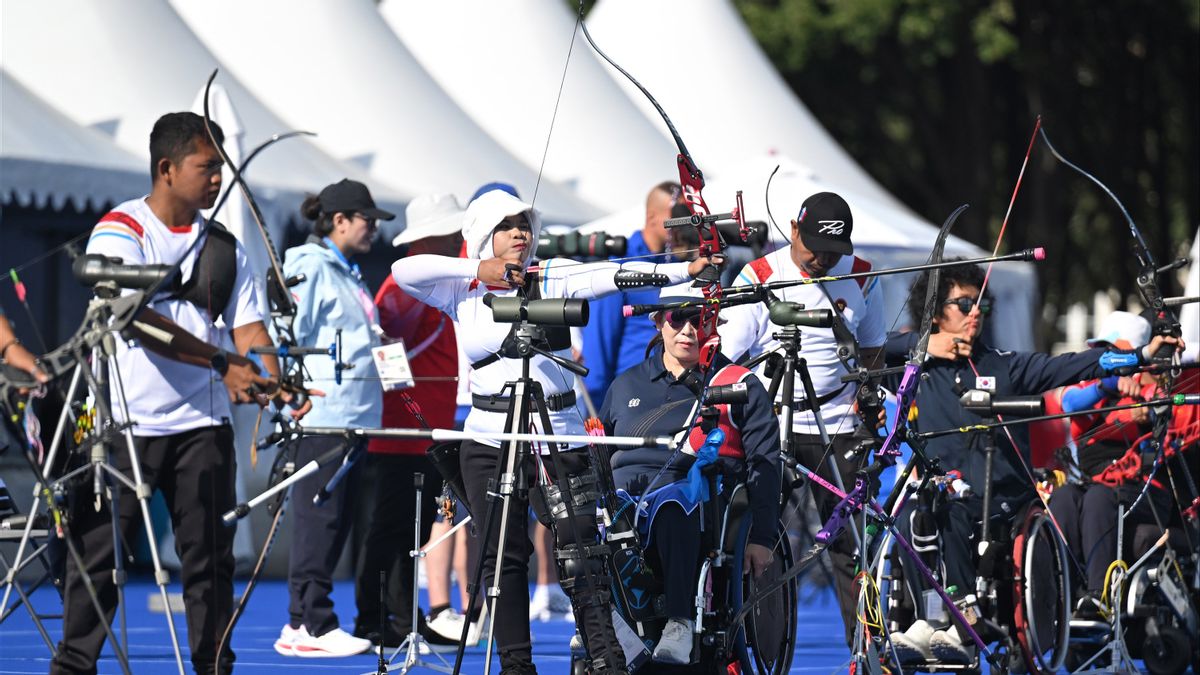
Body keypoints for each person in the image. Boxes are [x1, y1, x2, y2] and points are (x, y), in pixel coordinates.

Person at [391, 188, 718, 674]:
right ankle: (517, 668)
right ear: (484, 233)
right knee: (503, 558)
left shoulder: (552, 274)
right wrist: (478, 271)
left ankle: (608, 660)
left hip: (557, 433)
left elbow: (617, 274)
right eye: (508, 225)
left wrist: (684, 271)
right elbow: (402, 272)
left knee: (582, 555)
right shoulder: (461, 288)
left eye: (525, 223)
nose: (520, 233)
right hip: (489, 439)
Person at [51, 111, 298, 675]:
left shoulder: (224, 246)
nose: (218, 179)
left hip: (201, 428)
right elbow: (135, 319)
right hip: (121, 427)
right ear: (166, 169)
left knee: (209, 561)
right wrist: (222, 362)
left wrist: (272, 376)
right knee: (98, 558)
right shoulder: (121, 230)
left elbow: (249, 330)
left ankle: (213, 665)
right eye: (206, 168)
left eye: (221, 168)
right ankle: (73, 666)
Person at [884, 262, 1184, 664]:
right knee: (910, 519)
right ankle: (933, 619)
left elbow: (1073, 365)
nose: (975, 312)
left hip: (1002, 498)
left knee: (949, 513)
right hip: (941, 496)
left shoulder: (1003, 365)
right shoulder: (919, 366)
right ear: (936, 312)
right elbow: (865, 353)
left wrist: (1142, 356)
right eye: (964, 304)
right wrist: (923, 346)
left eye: (981, 305)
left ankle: (963, 622)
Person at [719, 191, 886, 644]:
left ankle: (864, 650)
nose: (823, 261)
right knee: (759, 541)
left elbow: (871, 351)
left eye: (834, 253)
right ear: (794, 230)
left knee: (853, 545)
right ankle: (749, 643)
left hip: (839, 426)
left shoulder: (864, 277)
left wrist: (871, 404)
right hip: (775, 428)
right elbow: (726, 359)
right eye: (815, 249)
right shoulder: (759, 276)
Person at [599, 298, 781, 665]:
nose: (688, 331)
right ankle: (600, 622)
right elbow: (600, 449)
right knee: (580, 517)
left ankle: (679, 623)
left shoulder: (737, 384)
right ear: (658, 323)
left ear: (714, 324)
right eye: (677, 321)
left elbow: (765, 462)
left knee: (673, 506)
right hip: (624, 492)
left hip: (692, 490)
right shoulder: (625, 384)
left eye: (699, 321)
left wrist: (761, 538)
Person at [273, 178, 393, 659]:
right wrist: (285, 397)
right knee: (318, 518)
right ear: (339, 221)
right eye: (367, 221)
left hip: (353, 416)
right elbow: (285, 333)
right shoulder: (310, 267)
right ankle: (310, 623)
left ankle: (307, 621)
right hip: (323, 414)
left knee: (336, 521)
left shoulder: (347, 270)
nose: (373, 231)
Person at [352, 192, 466, 649]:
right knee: (392, 527)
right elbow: (389, 349)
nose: (460, 240)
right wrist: (407, 408)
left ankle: (401, 614)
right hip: (402, 431)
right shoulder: (404, 288)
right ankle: (374, 615)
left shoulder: (425, 285)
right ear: (431, 239)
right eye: (452, 234)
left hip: (421, 428)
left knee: (411, 530)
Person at [1048, 311, 1181, 620]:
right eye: (1101, 350)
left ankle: (1100, 597)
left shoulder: (1155, 387)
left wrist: (1145, 410)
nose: (1103, 357)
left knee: (1098, 497)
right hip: (1102, 487)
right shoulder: (1095, 386)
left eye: (1113, 350)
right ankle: (1061, 597)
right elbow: (1068, 403)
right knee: (1064, 498)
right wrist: (1109, 387)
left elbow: (1161, 408)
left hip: (1145, 491)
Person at [581, 182, 680, 405]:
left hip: (669, 396)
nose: (683, 223)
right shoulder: (620, 265)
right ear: (653, 216)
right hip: (627, 399)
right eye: (677, 216)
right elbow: (599, 344)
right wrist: (596, 411)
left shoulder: (679, 265)